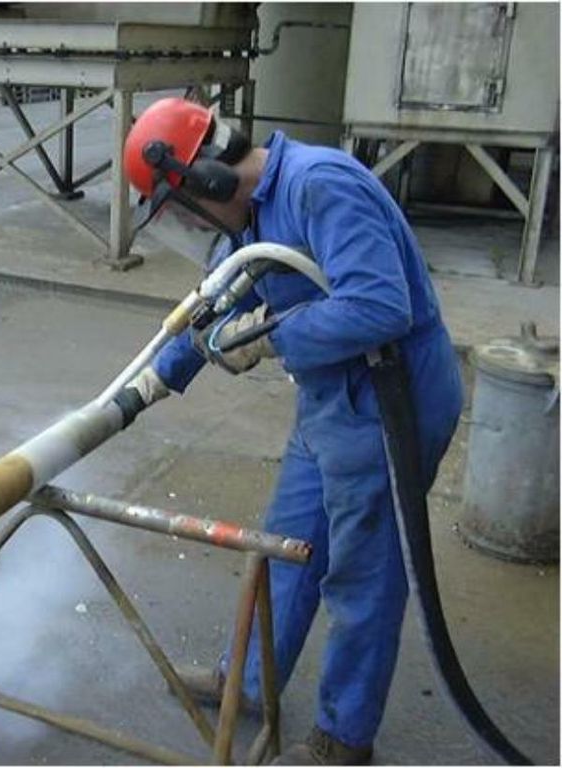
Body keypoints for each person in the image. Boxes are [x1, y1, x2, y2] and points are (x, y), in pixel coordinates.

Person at [117, 98, 464, 765]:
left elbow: (379, 305)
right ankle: (246, 682)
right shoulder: (259, 214)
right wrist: (154, 382)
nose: (192, 224)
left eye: (184, 209)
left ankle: (342, 737)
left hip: (390, 401)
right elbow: (229, 296)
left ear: (206, 182)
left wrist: (273, 339)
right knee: (283, 546)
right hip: (334, 397)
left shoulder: (319, 185)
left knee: (363, 575)